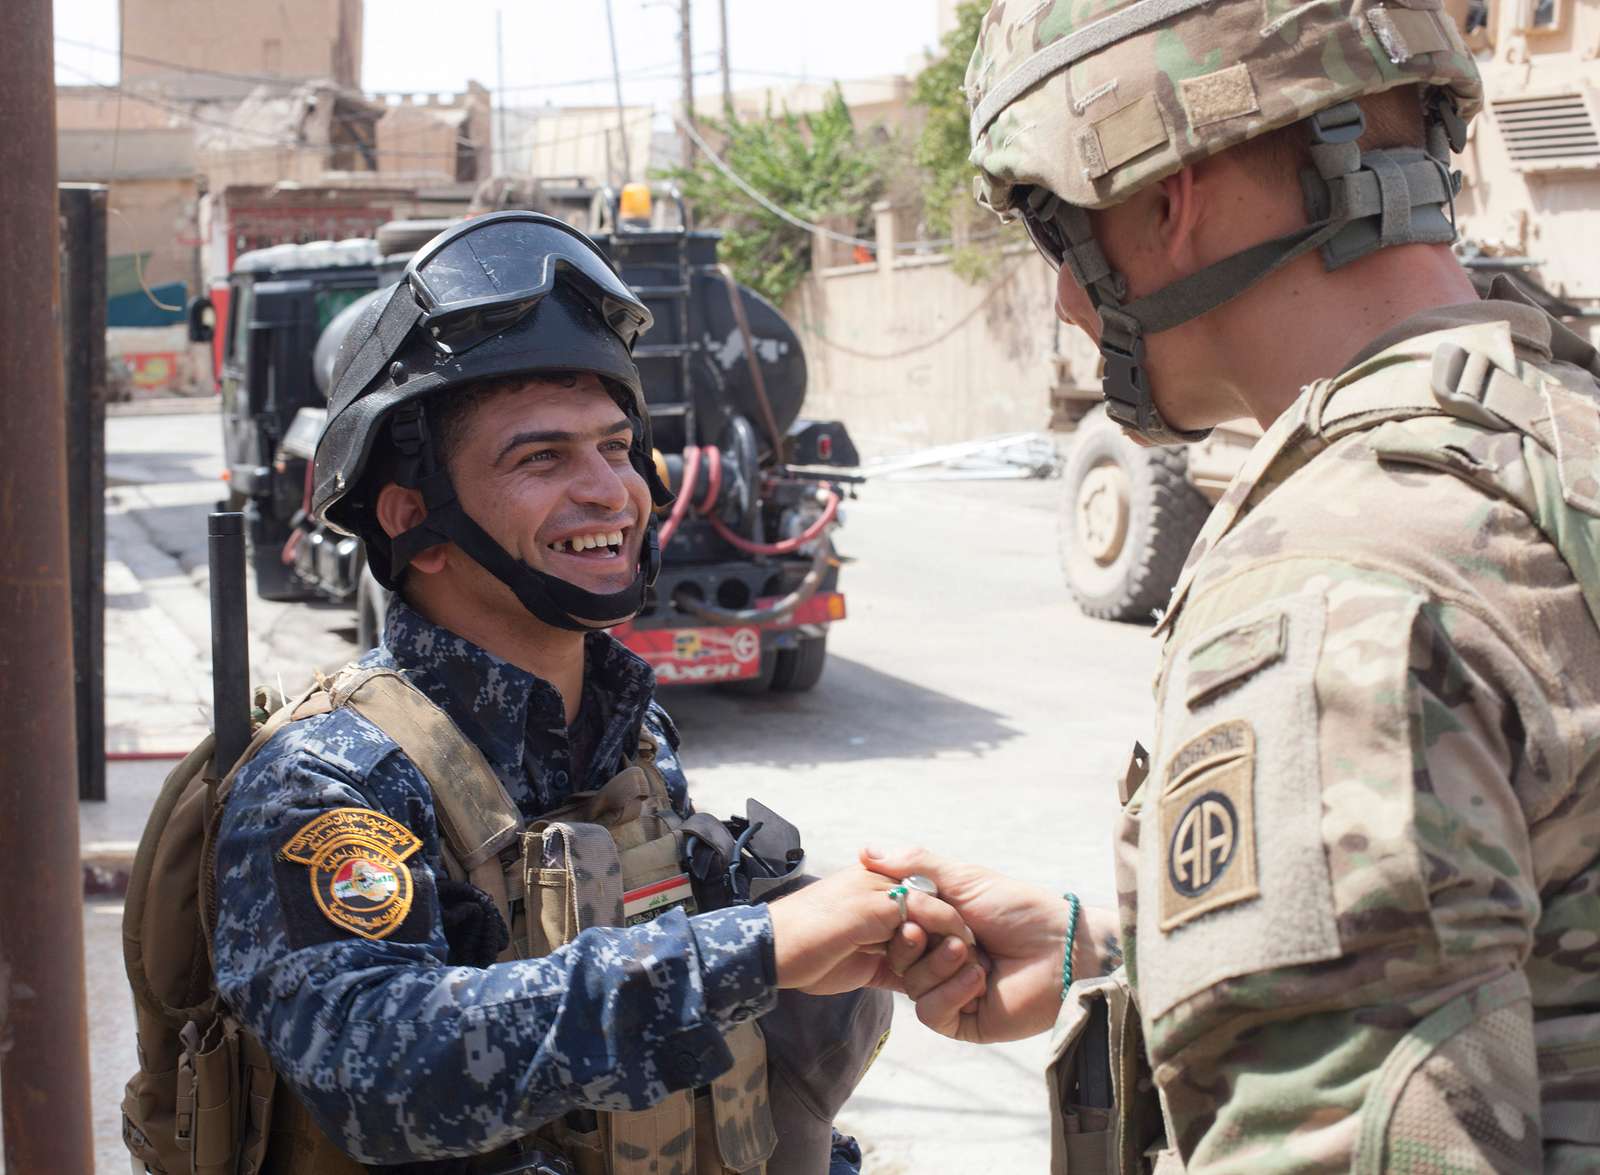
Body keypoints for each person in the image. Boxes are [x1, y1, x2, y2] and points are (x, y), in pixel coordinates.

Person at [865, 2, 1600, 1171]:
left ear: (1166, 197)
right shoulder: (1554, 426)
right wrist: (1110, 938)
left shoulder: (1329, 582)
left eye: (1061, 237)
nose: (1065, 299)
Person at [209, 212, 970, 1173]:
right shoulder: (330, 777)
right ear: (415, 523)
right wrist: (753, 950)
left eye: (616, 446)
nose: (611, 490)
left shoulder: (629, 733)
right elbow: (377, 1072)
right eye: (542, 458)